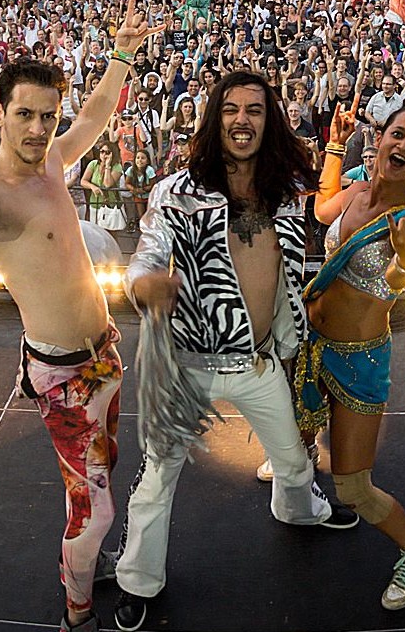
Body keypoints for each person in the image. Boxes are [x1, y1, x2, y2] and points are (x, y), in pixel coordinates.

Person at [0, 0, 164, 632]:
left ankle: (87, 564)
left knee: (99, 477)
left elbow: (96, 115)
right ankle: (77, 608)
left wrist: (121, 55)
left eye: (46, 116)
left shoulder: (52, 156)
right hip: (61, 378)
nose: (36, 128)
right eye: (23, 115)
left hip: (103, 352)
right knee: (98, 510)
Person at [114, 70, 355, 632]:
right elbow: (147, 256)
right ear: (213, 119)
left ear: (267, 121)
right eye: (230, 109)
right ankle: (137, 580)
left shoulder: (284, 196)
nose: (241, 120)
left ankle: (301, 513)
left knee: (295, 463)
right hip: (188, 368)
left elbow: (293, 274)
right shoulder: (176, 192)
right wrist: (142, 285)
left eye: (253, 110)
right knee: (156, 480)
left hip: (258, 363)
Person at [290, 92, 405, 609]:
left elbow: (397, 283)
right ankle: (301, 460)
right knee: (294, 438)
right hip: (314, 345)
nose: (403, 145)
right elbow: (319, 206)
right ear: (380, 137)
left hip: (359, 362)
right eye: (398, 133)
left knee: (353, 489)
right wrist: (333, 144)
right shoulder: (355, 192)